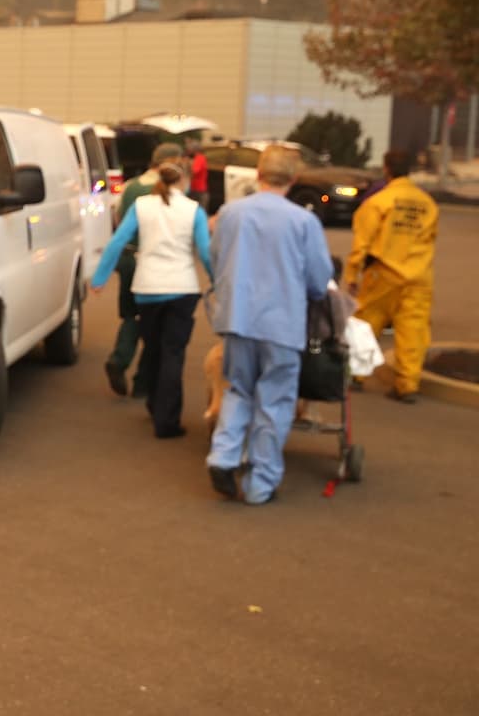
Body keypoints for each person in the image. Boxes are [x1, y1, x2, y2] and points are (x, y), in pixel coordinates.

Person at [205, 146, 332, 505]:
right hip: (282, 323)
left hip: (237, 318)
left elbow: (216, 260)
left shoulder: (231, 214)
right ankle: (261, 482)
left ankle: (223, 456)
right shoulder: (303, 222)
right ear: (294, 178)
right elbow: (318, 278)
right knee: (274, 401)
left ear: (258, 174)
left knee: (238, 389)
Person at [92, 161, 212, 439]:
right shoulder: (194, 210)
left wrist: (100, 277)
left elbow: (117, 241)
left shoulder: (141, 206)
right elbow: (206, 252)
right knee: (173, 353)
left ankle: (154, 402)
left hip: (147, 288)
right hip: (182, 288)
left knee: (154, 349)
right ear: (184, 180)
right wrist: (218, 281)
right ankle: (166, 419)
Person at [342, 150, 439, 403]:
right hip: (419, 276)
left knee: (366, 322)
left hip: (384, 272)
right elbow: (431, 238)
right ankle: (407, 385)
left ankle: (356, 375)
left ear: (386, 169)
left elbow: (362, 243)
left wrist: (352, 274)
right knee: (413, 329)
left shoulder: (378, 202)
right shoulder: (427, 204)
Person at [103, 142, 186, 398]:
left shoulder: (131, 186)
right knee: (157, 325)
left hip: (128, 257)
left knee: (132, 315)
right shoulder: (168, 190)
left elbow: (118, 218)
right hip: (156, 262)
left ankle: (119, 359)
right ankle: (143, 381)